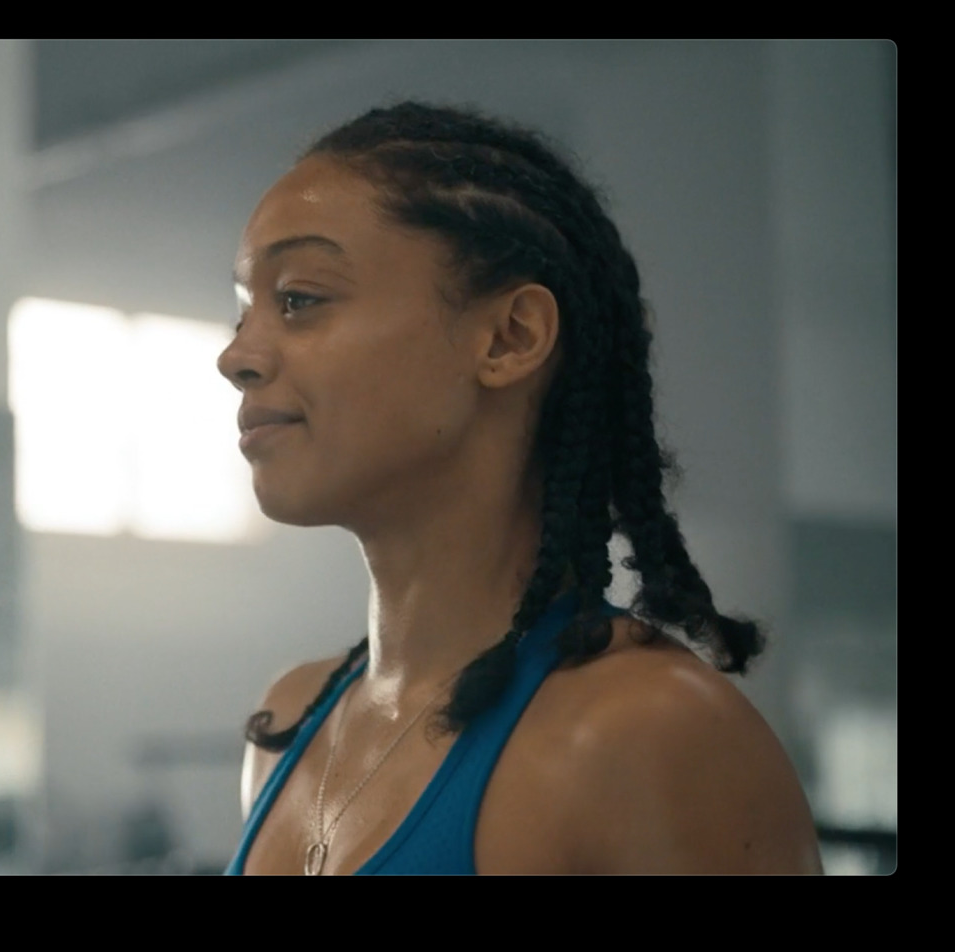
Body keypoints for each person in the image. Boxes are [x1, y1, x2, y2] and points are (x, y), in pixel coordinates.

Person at [218, 102, 822, 875]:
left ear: (510, 338)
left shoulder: (648, 734)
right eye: (243, 310)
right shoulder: (289, 727)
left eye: (299, 298)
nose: (236, 355)